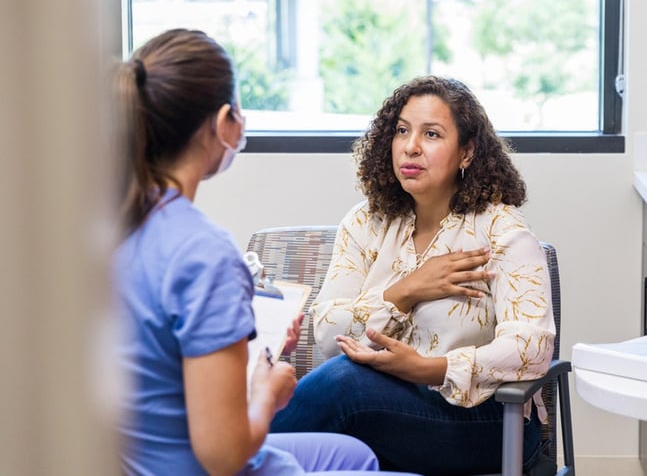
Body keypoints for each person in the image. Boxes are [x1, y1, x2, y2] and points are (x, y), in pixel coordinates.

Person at [112, 28, 422, 476]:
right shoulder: (204, 252)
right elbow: (223, 455)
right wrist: (268, 393)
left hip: (145, 454)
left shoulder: (114, 226)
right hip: (203, 462)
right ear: (224, 123)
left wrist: (258, 353)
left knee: (356, 455)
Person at [269, 75, 557, 475]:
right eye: (402, 130)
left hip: (485, 420)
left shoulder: (501, 231)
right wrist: (406, 291)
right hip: (386, 411)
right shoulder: (365, 222)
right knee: (340, 385)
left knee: (342, 384)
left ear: (467, 152)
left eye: (432, 134)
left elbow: (532, 347)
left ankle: (221, 458)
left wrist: (431, 369)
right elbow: (327, 332)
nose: (411, 146)